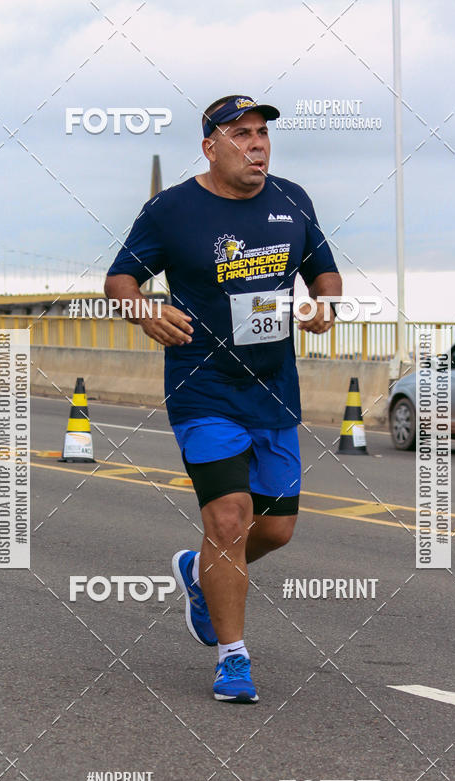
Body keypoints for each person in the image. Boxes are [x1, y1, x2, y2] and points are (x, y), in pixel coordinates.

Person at [105, 94, 341, 703]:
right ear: (210, 146)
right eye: (241, 134)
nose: (257, 144)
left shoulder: (292, 200)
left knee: (277, 529)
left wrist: (325, 303)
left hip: (273, 390)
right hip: (202, 387)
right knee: (229, 517)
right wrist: (142, 309)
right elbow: (120, 278)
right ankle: (232, 660)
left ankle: (197, 572)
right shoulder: (171, 210)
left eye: (262, 133)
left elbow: (325, 271)